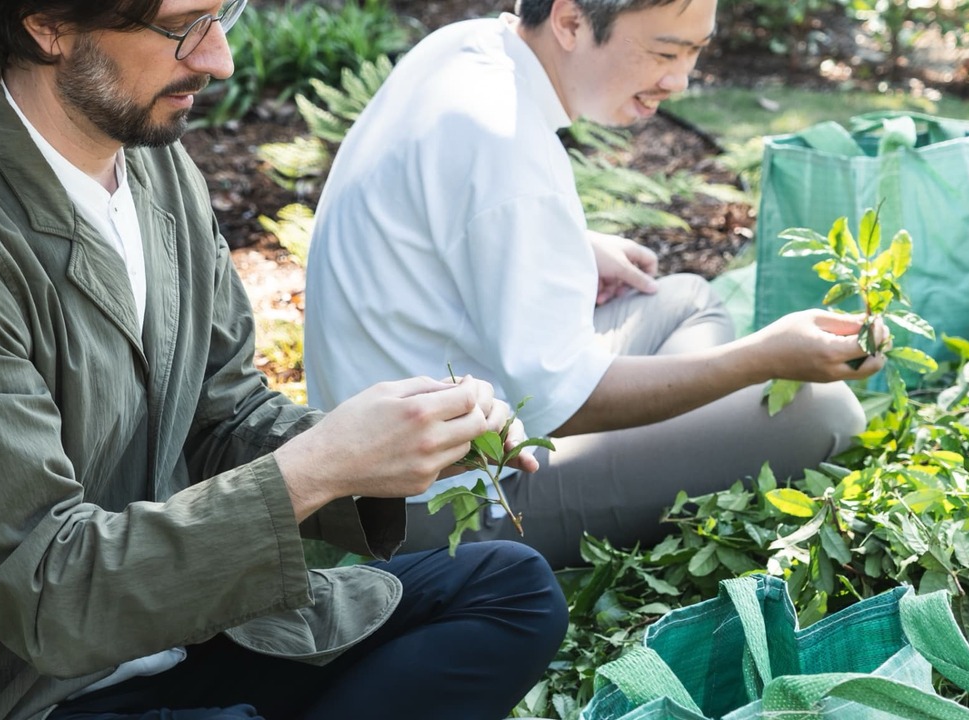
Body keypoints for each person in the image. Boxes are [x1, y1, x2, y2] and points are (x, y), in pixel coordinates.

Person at [0, 1, 568, 718]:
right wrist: (317, 469)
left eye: (222, 15)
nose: (219, 57)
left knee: (513, 592)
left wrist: (399, 443)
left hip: (173, 634)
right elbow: (48, 592)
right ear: (47, 26)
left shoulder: (151, 162)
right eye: (180, 27)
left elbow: (225, 415)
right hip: (6, 690)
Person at [303, 0, 888, 569]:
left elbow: (440, 212)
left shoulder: (467, 48)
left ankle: (672, 446)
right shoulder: (507, 145)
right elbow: (570, 400)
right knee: (825, 411)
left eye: (694, 52)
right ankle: (668, 453)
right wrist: (762, 357)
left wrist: (568, 248)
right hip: (438, 502)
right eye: (665, 51)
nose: (680, 80)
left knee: (686, 299)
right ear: (570, 21)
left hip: (417, 424)